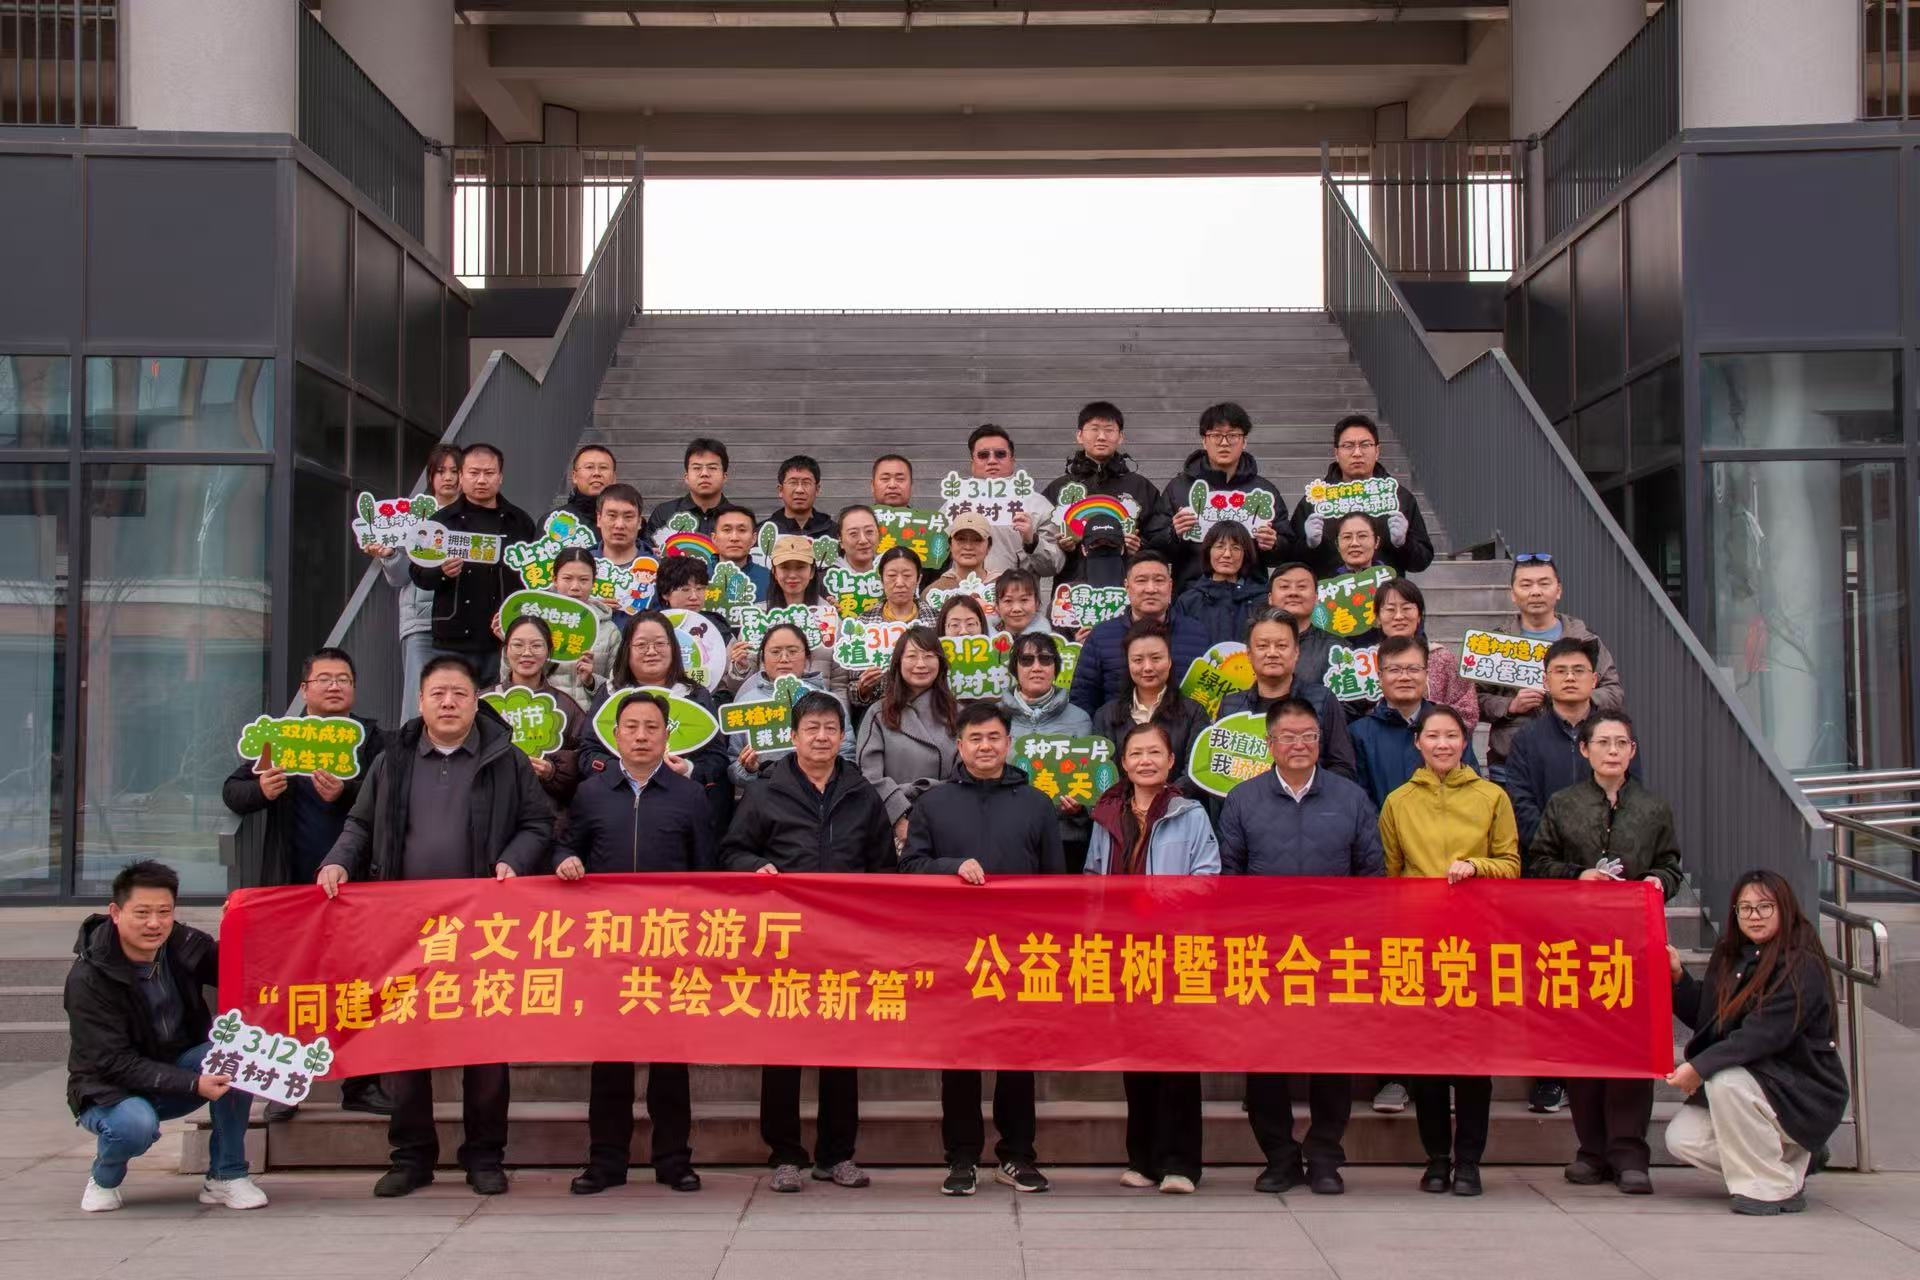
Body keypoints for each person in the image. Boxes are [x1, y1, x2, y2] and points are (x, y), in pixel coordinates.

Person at [317, 656, 554, 1198]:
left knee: (485, 1047)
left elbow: (538, 823)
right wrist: (338, 861)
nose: (448, 703)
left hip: (484, 929)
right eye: (438, 694)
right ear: (421, 702)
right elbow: (360, 824)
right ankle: (411, 1156)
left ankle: (485, 1156)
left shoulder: (505, 759)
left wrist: (514, 860)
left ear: (476, 702)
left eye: (459, 694)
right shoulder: (393, 760)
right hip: (405, 928)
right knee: (405, 1044)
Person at [721, 691, 894, 1192]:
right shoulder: (765, 792)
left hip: (844, 941)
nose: (821, 737)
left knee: (842, 1052)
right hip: (784, 942)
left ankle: (837, 1155)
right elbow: (731, 852)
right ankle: (785, 1154)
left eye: (830, 728)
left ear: (843, 736)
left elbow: (883, 867)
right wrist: (756, 866)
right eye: (811, 728)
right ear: (793, 736)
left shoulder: (862, 793)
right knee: (783, 1050)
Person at [1219, 697, 1384, 1196]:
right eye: (1288, 736)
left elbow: (1371, 874)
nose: (1299, 745)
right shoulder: (1243, 799)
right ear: (1269, 743)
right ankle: (1279, 1157)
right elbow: (1229, 878)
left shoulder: (1350, 798)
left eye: (1309, 735)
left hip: (1333, 950)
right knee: (1264, 1061)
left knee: (1332, 1059)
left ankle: (1326, 1155)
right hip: (1265, 953)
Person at [901, 701, 1065, 1196]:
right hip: (955, 950)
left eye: (994, 737)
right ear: (959, 745)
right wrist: (950, 867)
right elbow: (910, 868)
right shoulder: (934, 803)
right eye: (975, 738)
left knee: (1017, 1058)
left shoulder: (1036, 803)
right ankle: (962, 1157)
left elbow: (1056, 882)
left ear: (1009, 743)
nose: (985, 746)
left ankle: (1017, 1155)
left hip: (1022, 950)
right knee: (960, 1058)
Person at [554, 692, 713, 1196]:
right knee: (610, 1061)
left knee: (670, 1061)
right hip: (610, 948)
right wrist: (563, 860)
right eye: (632, 727)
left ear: (668, 735)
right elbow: (564, 844)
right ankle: (606, 1162)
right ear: (615, 734)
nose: (641, 736)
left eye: (651, 727)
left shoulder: (690, 796)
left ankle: (674, 1160)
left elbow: (707, 871)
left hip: (672, 945)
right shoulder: (591, 793)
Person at [222, 648, 393, 1118]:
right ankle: (283, 1087)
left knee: (360, 988)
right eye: (324, 679)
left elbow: (394, 795)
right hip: (292, 886)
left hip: (357, 887)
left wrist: (348, 792)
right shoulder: (281, 737)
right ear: (305, 689)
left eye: (344, 678)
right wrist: (261, 790)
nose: (334, 686)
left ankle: (361, 1084)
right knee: (291, 988)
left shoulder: (373, 740)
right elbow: (233, 791)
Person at [1528, 711, 1682, 1194]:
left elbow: (1672, 866)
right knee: (1583, 1049)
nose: (1612, 751)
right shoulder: (1563, 804)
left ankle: (1630, 1153)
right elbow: (1539, 863)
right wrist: (1579, 875)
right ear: (1585, 750)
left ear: (1632, 751)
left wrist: (1658, 880)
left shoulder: (1653, 808)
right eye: (1603, 743)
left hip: (1633, 944)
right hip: (1575, 943)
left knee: (1632, 1049)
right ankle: (1591, 1150)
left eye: (1621, 743)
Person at [67, 860, 266, 1213]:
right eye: (142, 912)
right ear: (116, 912)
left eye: (164, 912)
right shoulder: (89, 978)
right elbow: (112, 1062)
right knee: (134, 1125)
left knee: (235, 1053)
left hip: (178, 1068)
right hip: (109, 1089)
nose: (154, 923)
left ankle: (227, 1175)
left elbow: (238, 970)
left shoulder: (182, 944)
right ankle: (104, 1177)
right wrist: (193, 1084)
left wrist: (240, 927)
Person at [1378, 704, 1520, 1197]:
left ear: (1465, 742)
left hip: (1476, 944)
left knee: (1473, 1063)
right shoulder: (1397, 802)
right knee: (1427, 1062)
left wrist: (1477, 866)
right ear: (1417, 742)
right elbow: (1390, 874)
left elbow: (1511, 864)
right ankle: (1436, 1158)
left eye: (1451, 736)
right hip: (1419, 946)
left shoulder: (1491, 796)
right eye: (1433, 736)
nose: (1442, 744)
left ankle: (1469, 1162)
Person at [1084, 721, 1219, 1193]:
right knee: (1136, 1054)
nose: (1146, 761)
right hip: (1124, 951)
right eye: (1137, 753)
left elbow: (1208, 877)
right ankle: (1142, 1159)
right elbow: (1092, 879)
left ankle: (1181, 1163)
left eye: (1155, 752)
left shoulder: (1190, 813)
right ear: (1123, 763)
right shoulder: (1106, 815)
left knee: (1178, 1055)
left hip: (1176, 949)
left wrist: (1158, 897)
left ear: (1170, 761)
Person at [1665, 869, 1847, 1215]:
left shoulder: (1802, 963)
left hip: (1800, 1088)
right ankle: (1792, 1161)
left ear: (1784, 909)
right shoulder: (1731, 953)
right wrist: (1678, 978)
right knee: (1682, 1138)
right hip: (1755, 1085)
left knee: (1724, 1080)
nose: (1754, 916)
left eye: (1765, 907)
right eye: (1745, 908)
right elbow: (1709, 1017)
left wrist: (1699, 1068)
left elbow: (1763, 1034)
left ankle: (1772, 1189)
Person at [588, 610, 734, 839]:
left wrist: (689, 769)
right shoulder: (609, 693)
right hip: (619, 809)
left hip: (681, 812)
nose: (651, 651)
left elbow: (717, 757)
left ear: (673, 648)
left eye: (660, 643)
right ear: (626, 650)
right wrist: (620, 770)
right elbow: (588, 752)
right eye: (641, 645)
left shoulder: (695, 695)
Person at [1477, 554, 1624, 772]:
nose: (1536, 592)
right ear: (1513, 594)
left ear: (1559, 590)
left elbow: (1614, 692)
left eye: (1544, 583)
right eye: (1526, 585)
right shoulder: (1495, 643)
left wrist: (1579, 696)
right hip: (1512, 761)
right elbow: (1474, 699)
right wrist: (1510, 705)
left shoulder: (1585, 639)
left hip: (1579, 757)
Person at [411, 442, 539, 685]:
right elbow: (417, 573)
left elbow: (533, 576)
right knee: (453, 699)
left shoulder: (520, 521)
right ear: (461, 476)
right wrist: (441, 571)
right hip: (454, 639)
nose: (481, 480)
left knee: (500, 702)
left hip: (505, 636)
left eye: (489, 473)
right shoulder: (442, 522)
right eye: (474, 473)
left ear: (500, 477)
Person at [1504, 637, 1637, 850]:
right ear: (1545, 681)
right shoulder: (1526, 739)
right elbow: (1520, 803)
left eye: (1578, 670)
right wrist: (1551, 843)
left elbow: (1632, 794)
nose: (1570, 677)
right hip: (1544, 858)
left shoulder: (1617, 735)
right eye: (1560, 671)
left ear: (1594, 680)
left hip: (1606, 856)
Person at [1161, 402, 1295, 586]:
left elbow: (1288, 549)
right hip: (1191, 593)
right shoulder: (1179, 488)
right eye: (1216, 435)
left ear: (1244, 441)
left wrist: (1274, 544)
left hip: (1250, 594)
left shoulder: (1264, 491)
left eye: (1232, 435)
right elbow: (1156, 546)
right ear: (1204, 441)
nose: (1224, 443)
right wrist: (1173, 533)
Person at [1216, 609, 1357, 782]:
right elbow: (1217, 770)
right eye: (1262, 646)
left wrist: (1303, 787)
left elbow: (1343, 767)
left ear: (1296, 652)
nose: (1272, 653)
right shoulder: (1230, 706)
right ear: (1249, 655)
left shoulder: (1323, 699)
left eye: (1281, 646)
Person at [1291, 413, 1433, 579]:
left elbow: (1422, 561)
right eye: (1348, 446)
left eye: (1365, 445)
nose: (1357, 453)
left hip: (1386, 592)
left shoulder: (1398, 497)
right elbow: (1290, 559)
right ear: (1336, 453)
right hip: (1332, 591)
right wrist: (1309, 544)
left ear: (1377, 450)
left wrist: (1403, 543)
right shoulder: (1316, 499)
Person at [1044, 400, 1172, 584]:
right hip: (1074, 589)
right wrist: (1060, 547)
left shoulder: (1140, 487)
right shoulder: (1059, 488)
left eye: (1109, 430)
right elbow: (1041, 550)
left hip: (1127, 589)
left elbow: (1160, 543)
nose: (1102, 437)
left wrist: (1140, 546)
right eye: (1094, 429)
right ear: (1079, 435)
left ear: (1120, 437)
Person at [370, 442, 461, 699]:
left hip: (463, 622)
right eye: (441, 471)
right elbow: (400, 577)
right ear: (430, 476)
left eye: (454, 471)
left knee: (458, 694)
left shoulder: (475, 518)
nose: (448, 477)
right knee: (417, 695)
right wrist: (389, 555)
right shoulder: (408, 518)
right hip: (421, 621)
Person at [1350, 635, 1481, 809]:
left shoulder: (1449, 725)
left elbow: (1472, 788)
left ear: (1426, 674)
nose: (1404, 677)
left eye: (1413, 669)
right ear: (1380, 677)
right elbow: (1358, 799)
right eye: (1394, 670)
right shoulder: (1359, 734)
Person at [856, 627, 959, 849]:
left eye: (929, 656)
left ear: (940, 663)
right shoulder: (878, 713)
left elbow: (966, 773)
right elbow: (869, 776)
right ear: (898, 663)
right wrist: (899, 820)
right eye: (912, 656)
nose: (921, 664)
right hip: (891, 826)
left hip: (948, 820)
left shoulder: (958, 713)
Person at [1068, 552, 1207, 714]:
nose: (1151, 589)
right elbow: (1082, 698)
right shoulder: (1100, 636)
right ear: (1127, 587)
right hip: (1117, 727)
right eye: (1141, 581)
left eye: (1159, 580)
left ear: (1170, 586)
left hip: (1182, 727)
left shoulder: (1197, 634)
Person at [1001, 630, 1094, 868]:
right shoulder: (996, 717)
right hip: (1007, 836)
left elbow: (1092, 781)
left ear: (1055, 668)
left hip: (1064, 838)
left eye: (1045, 659)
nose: (1036, 667)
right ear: (1014, 668)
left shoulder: (1080, 719)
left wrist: (1080, 808)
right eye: (1026, 660)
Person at [486, 615, 588, 820]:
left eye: (536, 645)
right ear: (506, 650)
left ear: (548, 651)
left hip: (546, 816)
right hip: (492, 813)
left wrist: (553, 771)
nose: (527, 653)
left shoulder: (566, 706)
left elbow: (585, 761)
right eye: (518, 645)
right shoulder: (484, 702)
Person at [728, 623, 854, 786]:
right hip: (766, 794)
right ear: (763, 658)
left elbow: (847, 756)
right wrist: (748, 770)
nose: (784, 659)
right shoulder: (747, 702)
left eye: (793, 651)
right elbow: (733, 768)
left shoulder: (829, 702)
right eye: (775, 652)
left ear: (807, 657)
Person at [1090, 621, 1209, 792]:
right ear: (1128, 664)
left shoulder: (1194, 712)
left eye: (1156, 658)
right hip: (1121, 807)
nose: (1147, 667)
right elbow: (1103, 772)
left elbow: (1195, 772)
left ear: (1169, 661)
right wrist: (1131, 803)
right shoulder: (1106, 715)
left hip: (1178, 805)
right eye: (1138, 660)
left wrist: (1160, 800)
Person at [964, 424, 1064, 582]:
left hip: (1017, 595)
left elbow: (1054, 565)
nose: (992, 461)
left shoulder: (1037, 505)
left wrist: (1033, 542)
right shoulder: (954, 505)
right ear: (972, 462)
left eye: (1000, 454)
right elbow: (936, 558)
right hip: (965, 596)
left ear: (1012, 460)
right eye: (983, 455)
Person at [1372, 578, 1477, 729]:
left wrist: (1425, 711)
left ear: (1419, 615)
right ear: (1377, 618)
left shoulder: (1442, 658)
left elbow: (1468, 713)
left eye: (1407, 608)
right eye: (1390, 609)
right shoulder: (1364, 663)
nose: (1399, 616)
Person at [543, 547, 619, 709]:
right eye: (567, 578)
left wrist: (591, 681)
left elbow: (617, 688)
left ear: (593, 582)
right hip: (543, 714)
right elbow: (510, 679)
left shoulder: (609, 630)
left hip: (588, 717)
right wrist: (511, 647)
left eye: (583, 580)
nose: (575, 587)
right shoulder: (536, 624)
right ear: (555, 580)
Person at [1171, 521, 1267, 648]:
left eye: (1236, 548)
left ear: (1246, 555)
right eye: (1220, 546)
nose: (1227, 554)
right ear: (1208, 552)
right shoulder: (1188, 601)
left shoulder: (1261, 600)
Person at [642, 436, 732, 544]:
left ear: (724, 477)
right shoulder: (664, 513)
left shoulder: (738, 518)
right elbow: (648, 551)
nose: (704, 474)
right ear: (686, 477)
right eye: (697, 468)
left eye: (712, 468)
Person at [1267, 561, 1335, 687]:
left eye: (1302, 586)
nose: (1293, 593)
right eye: (1284, 587)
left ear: (1316, 598)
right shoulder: (1252, 645)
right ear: (1270, 598)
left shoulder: (1336, 648)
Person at [710, 502, 772, 600]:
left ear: (754, 538)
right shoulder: (698, 578)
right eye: (727, 530)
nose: (734, 538)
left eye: (742, 530)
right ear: (714, 538)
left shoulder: (769, 580)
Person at [768, 454, 835, 539]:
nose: (799, 490)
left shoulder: (835, 532)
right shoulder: (764, 531)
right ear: (780, 490)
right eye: (793, 483)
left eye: (806, 483)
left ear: (817, 490)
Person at [929, 511, 994, 591]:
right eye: (961, 539)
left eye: (977, 540)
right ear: (950, 545)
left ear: (989, 546)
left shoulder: (1002, 587)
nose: (968, 547)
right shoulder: (934, 592)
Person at [559, 443, 618, 527]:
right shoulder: (555, 522)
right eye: (589, 467)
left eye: (603, 467)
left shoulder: (628, 522)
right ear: (575, 476)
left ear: (614, 477)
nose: (597, 473)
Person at [593, 481, 646, 568]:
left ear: (639, 522)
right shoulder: (582, 566)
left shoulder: (658, 569)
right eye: (612, 515)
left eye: (628, 517)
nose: (619, 525)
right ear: (599, 519)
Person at [994, 568, 1050, 635]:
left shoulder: (1050, 639)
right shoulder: (986, 636)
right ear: (997, 606)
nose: (1017, 609)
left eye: (1024, 600)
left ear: (1036, 603)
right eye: (1008, 601)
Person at [836, 504, 882, 579]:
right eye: (853, 534)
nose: (863, 540)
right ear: (840, 540)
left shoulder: (890, 570)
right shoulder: (828, 577)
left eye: (869, 531)